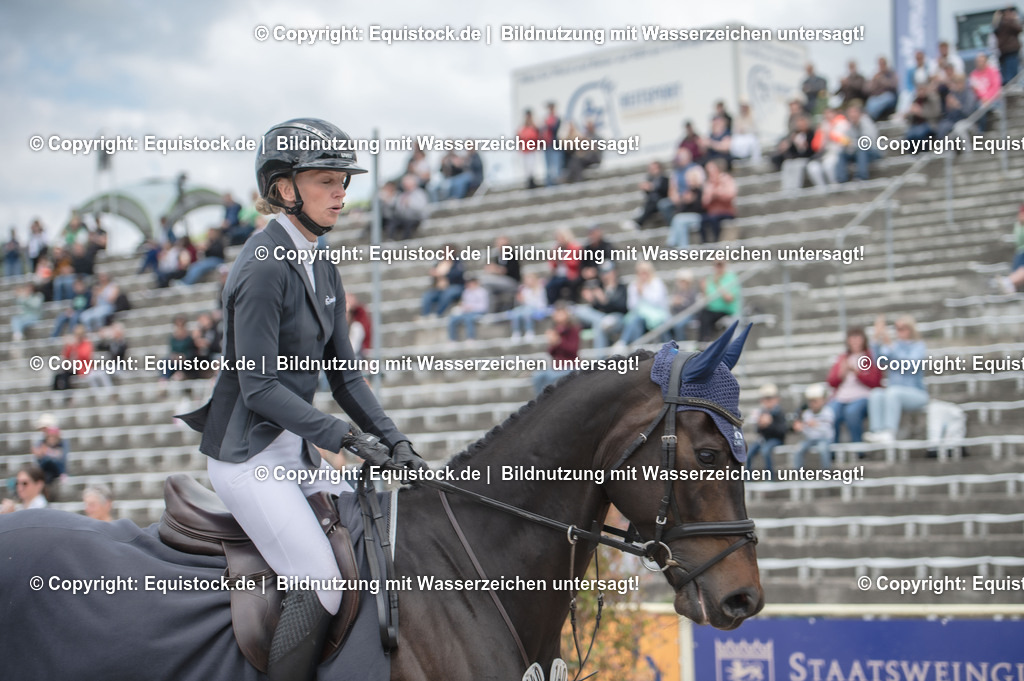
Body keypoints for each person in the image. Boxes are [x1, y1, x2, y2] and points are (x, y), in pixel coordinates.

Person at [176, 118, 426, 681]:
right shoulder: (262, 268)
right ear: (285, 188)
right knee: (321, 582)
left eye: (344, 181)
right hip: (248, 458)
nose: (341, 192)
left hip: (294, 450)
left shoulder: (322, 263)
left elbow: (347, 378)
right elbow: (259, 387)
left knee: (379, 538)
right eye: (326, 181)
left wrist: (397, 442)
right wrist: (345, 437)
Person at [864, 315, 929, 443]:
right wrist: (876, 337)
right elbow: (878, 361)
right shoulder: (894, 346)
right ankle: (877, 431)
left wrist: (891, 347)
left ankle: (889, 432)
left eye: (903, 328)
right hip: (894, 393)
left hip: (917, 393)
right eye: (897, 328)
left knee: (893, 392)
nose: (899, 331)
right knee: (876, 394)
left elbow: (910, 365)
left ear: (910, 329)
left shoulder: (918, 346)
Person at [827, 328, 883, 444]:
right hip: (841, 397)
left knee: (852, 413)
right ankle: (832, 449)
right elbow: (831, 382)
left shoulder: (870, 356)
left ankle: (858, 448)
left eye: (858, 337)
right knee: (831, 413)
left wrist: (857, 373)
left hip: (863, 396)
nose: (855, 341)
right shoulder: (843, 358)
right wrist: (841, 374)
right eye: (852, 338)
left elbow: (875, 381)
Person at [574, 264, 628, 352]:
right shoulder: (600, 287)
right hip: (601, 317)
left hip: (617, 318)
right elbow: (596, 308)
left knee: (600, 322)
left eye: (607, 272)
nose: (605, 275)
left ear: (614, 272)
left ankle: (600, 358)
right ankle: (600, 357)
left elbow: (623, 307)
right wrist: (592, 300)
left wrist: (605, 301)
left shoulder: (621, 288)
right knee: (582, 311)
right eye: (602, 272)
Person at [531, 302, 580, 394]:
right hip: (557, 366)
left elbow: (573, 350)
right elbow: (551, 353)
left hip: (570, 365)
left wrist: (558, 341)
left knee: (551, 377)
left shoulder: (573, 329)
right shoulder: (555, 329)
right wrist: (552, 343)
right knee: (537, 376)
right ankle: (540, 400)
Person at [620, 261, 670, 345]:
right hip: (639, 317)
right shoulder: (633, 285)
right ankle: (633, 345)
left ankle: (624, 342)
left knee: (638, 320)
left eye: (645, 272)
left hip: (657, 316)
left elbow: (657, 301)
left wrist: (643, 293)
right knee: (635, 321)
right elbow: (631, 306)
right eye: (640, 273)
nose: (643, 275)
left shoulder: (657, 283)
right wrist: (637, 293)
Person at [745, 383, 787, 474]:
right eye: (765, 399)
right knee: (748, 452)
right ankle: (747, 477)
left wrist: (770, 424)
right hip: (764, 439)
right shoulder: (762, 412)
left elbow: (782, 432)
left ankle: (769, 476)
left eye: (770, 398)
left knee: (765, 450)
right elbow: (758, 431)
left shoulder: (779, 412)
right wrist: (761, 425)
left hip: (776, 439)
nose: (767, 401)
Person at [792, 384, 835, 470]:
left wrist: (816, 425)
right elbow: (806, 432)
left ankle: (826, 471)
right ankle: (798, 472)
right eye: (810, 401)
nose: (813, 404)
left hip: (825, 439)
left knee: (823, 449)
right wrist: (801, 428)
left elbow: (828, 431)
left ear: (822, 400)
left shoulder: (828, 412)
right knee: (798, 449)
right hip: (810, 439)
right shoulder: (806, 413)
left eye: (815, 401)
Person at [836, 104, 881, 183]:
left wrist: (851, 143)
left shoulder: (866, 122)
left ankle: (862, 176)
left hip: (873, 151)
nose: (852, 115)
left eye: (854, 112)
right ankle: (841, 179)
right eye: (850, 112)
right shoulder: (850, 125)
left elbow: (867, 142)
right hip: (856, 151)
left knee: (861, 150)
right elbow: (847, 141)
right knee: (842, 154)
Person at [698, 259, 740, 342]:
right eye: (716, 265)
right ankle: (704, 341)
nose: (718, 267)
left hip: (726, 311)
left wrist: (718, 284)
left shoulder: (731, 278)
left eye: (720, 264)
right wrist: (703, 289)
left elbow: (729, 299)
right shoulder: (710, 278)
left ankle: (706, 340)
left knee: (706, 316)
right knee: (703, 315)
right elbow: (706, 299)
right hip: (712, 310)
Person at [665, 165, 706, 249]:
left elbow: (702, 207)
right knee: (679, 220)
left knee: (679, 219)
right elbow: (681, 210)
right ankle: (681, 246)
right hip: (687, 218)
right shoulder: (687, 192)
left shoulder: (701, 191)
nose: (689, 181)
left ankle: (672, 243)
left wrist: (693, 200)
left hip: (700, 217)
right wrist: (683, 201)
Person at [478, 235, 521, 312]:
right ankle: (489, 310)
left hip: (512, 282)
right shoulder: (498, 257)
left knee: (485, 280)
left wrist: (496, 269)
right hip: (501, 281)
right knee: (487, 288)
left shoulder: (512, 255)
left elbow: (507, 270)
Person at [700, 159, 736, 243]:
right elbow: (704, 202)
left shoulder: (726, 179)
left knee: (714, 219)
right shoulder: (708, 183)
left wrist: (718, 194)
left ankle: (717, 241)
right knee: (702, 221)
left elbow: (731, 195)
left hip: (726, 211)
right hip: (712, 212)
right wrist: (711, 196)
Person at [420, 247, 465, 316]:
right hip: (440, 288)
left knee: (447, 294)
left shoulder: (457, 263)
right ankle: (425, 315)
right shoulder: (440, 262)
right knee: (427, 295)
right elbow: (434, 273)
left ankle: (438, 314)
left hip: (455, 286)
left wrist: (444, 274)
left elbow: (458, 274)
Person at [626, 161, 670, 230]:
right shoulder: (651, 179)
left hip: (661, 201)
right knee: (649, 203)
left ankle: (639, 222)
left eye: (655, 168)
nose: (654, 171)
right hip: (652, 202)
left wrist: (652, 187)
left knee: (651, 204)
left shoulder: (665, 179)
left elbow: (665, 191)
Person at [507, 271, 549, 340]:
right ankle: (516, 332)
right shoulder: (525, 290)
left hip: (538, 308)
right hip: (526, 308)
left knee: (527, 312)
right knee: (515, 312)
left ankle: (529, 330)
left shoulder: (540, 289)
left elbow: (540, 303)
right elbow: (524, 303)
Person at [545, 228, 582, 304]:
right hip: (559, 275)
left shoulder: (574, 247)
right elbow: (552, 265)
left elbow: (575, 263)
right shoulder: (557, 249)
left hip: (571, 274)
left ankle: (573, 303)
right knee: (549, 286)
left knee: (572, 283)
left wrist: (564, 259)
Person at [447, 275, 490, 342]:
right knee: (453, 318)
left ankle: (470, 338)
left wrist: (471, 307)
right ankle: (452, 339)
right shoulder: (466, 291)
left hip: (478, 312)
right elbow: (464, 303)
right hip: (466, 312)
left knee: (468, 318)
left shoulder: (482, 292)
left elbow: (483, 307)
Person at [392, 173, 429, 240]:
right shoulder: (401, 195)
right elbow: (398, 210)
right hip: (404, 218)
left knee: (409, 224)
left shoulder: (419, 193)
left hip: (416, 218)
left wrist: (410, 204)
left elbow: (422, 209)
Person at [865, 56, 900, 121]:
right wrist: (874, 81)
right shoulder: (876, 75)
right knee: (870, 101)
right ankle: (870, 118)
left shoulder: (891, 74)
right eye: (880, 64)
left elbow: (894, 85)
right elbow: (868, 89)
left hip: (889, 96)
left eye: (883, 63)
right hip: (877, 96)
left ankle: (873, 117)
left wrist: (883, 80)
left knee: (886, 98)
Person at [993, 7, 1022, 85]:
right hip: (1011, 51)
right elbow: (1019, 28)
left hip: (1004, 52)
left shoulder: (999, 24)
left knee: (1007, 74)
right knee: (1013, 75)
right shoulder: (1008, 23)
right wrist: (1013, 19)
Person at [518, 109, 541, 188]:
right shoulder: (522, 127)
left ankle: (532, 182)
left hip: (532, 150)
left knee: (532, 167)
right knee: (527, 167)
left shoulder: (534, 126)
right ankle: (529, 182)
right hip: (526, 150)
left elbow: (537, 136)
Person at [541, 101, 563, 186]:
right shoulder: (546, 119)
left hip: (555, 145)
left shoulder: (557, 119)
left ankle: (557, 184)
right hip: (547, 145)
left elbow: (555, 129)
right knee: (548, 167)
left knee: (556, 167)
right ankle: (549, 185)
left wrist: (548, 124)